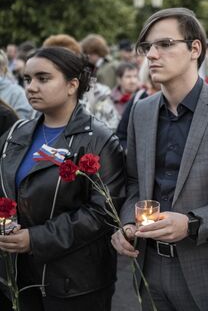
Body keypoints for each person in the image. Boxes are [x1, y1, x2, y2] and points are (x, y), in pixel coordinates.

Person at [110, 8, 208, 311]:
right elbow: (136, 182)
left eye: (164, 44)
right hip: (148, 267)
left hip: (207, 271)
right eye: (147, 47)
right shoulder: (141, 111)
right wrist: (126, 224)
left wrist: (192, 224)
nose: (152, 54)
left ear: (195, 49)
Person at [0, 47, 125, 311]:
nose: (31, 87)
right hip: (18, 276)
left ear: (72, 85)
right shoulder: (16, 132)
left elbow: (103, 213)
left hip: (75, 284)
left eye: (43, 79)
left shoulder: (99, 140)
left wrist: (36, 239)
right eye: (27, 79)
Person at [0, 49, 33, 119]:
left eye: (18, 60)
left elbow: (22, 123)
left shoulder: (17, 92)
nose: (15, 63)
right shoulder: (18, 91)